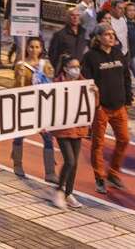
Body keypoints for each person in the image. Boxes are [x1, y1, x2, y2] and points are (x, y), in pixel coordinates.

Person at [82, 23, 131, 195]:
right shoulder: (90, 57)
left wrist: (128, 100)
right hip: (101, 108)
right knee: (98, 144)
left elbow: (126, 76)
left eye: (113, 34)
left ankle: (113, 173)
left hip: (119, 106)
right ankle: (100, 178)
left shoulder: (118, 54)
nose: (111, 37)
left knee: (124, 139)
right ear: (99, 37)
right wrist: (94, 104)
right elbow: (86, 82)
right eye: (107, 34)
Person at [11, 37, 57, 183]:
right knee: (20, 135)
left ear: (42, 49)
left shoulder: (46, 65)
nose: (34, 50)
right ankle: (17, 164)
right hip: (26, 106)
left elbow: (51, 84)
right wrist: (21, 77)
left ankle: (50, 172)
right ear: (27, 48)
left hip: (42, 107)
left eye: (37, 47)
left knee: (48, 138)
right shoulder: (21, 66)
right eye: (31, 47)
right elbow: (17, 87)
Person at [51, 55, 89, 210]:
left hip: (78, 128)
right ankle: (59, 191)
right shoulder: (57, 84)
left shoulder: (83, 83)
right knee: (70, 161)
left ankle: (69, 193)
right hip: (63, 129)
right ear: (65, 68)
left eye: (78, 66)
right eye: (73, 67)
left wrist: (95, 92)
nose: (76, 70)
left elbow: (94, 104)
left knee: (74, 163)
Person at [48, 7, 87, 72]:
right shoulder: (59, 35)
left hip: (81, 70)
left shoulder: (84, 33)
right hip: (65, 71)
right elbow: (52, 55)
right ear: (67, 17)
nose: (75, 18)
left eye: (77, 15)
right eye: (72, 15)